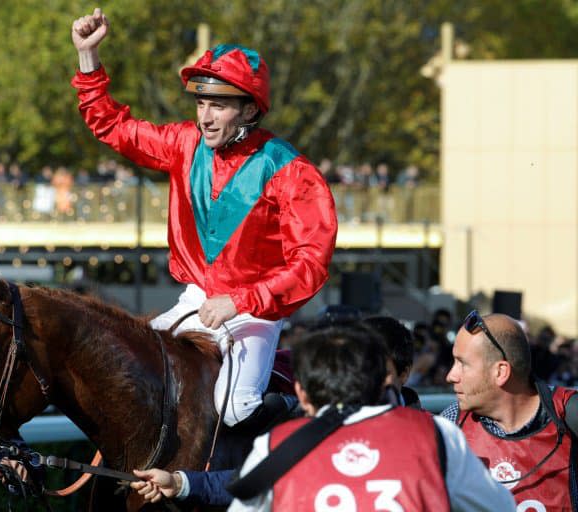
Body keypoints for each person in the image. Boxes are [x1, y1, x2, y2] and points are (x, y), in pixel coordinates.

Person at [71, 8, 337, 431]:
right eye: (201, 103)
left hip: (255, 312)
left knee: (235, 408)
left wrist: (241, 300)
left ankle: (300, 430)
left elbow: (311, 265)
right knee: (125, 372)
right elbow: (113, 127)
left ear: (250, 111)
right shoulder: (183, 143)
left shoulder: (292, 172)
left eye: (219, 106)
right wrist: (88, 58)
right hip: (196, 299)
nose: (205, 116)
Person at [131, 324, 515, 511]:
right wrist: (182, 483)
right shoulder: (437, 436)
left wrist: (181, 483)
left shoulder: (279, 446)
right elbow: (501, 509)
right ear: (382, 378)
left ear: (301, 392)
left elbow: (243, 488)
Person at [442, 310, 578, 511]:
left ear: (501, 372)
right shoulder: (451, 424)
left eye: (463, 364)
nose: (451, 376)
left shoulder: (568, 413)